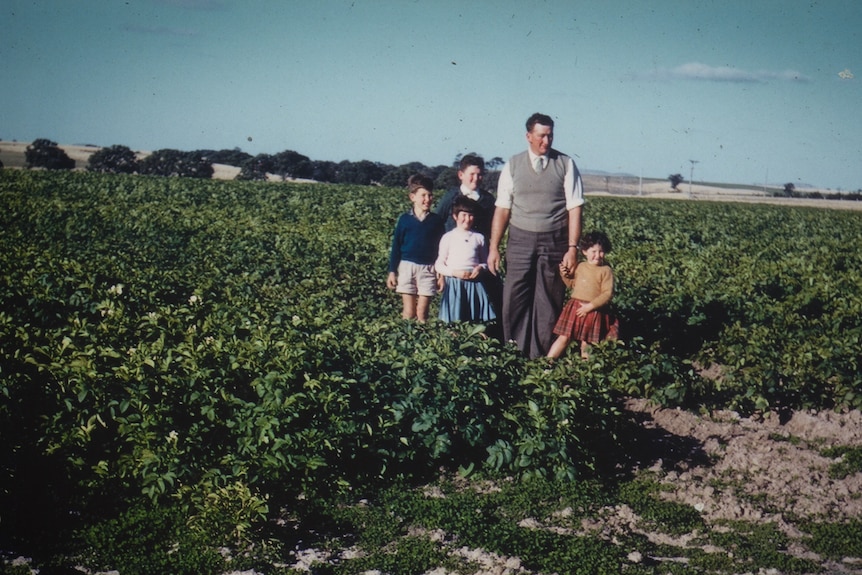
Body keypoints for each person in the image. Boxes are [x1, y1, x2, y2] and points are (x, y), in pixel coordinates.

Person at [487, 113, 585, 358]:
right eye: (541, 135)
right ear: (528, 136)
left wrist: (572, 248)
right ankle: (515, 352)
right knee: (514, 297)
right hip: (520, 239)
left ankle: (540, 357)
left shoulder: (566, 163)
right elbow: (502, 207)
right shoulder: (513, 164)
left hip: (554, 241)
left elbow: (575, 207)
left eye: (550, 135)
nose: (546, 141)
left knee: (549, 299)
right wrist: (494, 247)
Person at [547, 231, 619, 360]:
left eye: (601, 251)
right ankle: (546, 364)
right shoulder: (580, 266)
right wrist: (565, 275)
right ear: (585, 251)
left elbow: (607, 293)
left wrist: (590, 306)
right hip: (575, 307)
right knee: (564, 338)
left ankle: (585, 371)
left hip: (593, 311)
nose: (597, 255)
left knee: (587, 343)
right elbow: (573, 285)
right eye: (594, 251)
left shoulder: (606, 270)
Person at [386, 174, 445, 322]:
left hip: (428, 269)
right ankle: (407, 340)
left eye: (430, 195)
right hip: (407, 267)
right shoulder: (404, 220)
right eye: (423, 195)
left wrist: (441, 274)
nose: (427, 199)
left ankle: (423, 342)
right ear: (412, 197)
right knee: (409, 311)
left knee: (422, 313)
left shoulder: (436, 221)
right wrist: (392, 271)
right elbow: (396, 247)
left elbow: (442, 249)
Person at [435, 195, 496, 324]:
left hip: (474, 282)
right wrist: (454, 273)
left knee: (475, 318)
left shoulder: (478, 238)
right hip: (454, 283)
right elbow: (439, 264)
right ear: (455, 216)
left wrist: (480, 268)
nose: (467, 219)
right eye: (464, 215)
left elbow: (485, 262)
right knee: (454, 319)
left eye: (470, 215)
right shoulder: (448, 237)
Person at [434, 154, 496, 240]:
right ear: (460, 175)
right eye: (472, 174)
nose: (476, 178)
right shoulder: (450, 197)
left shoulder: (488, 200)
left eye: (479, 174)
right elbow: (436, 221)